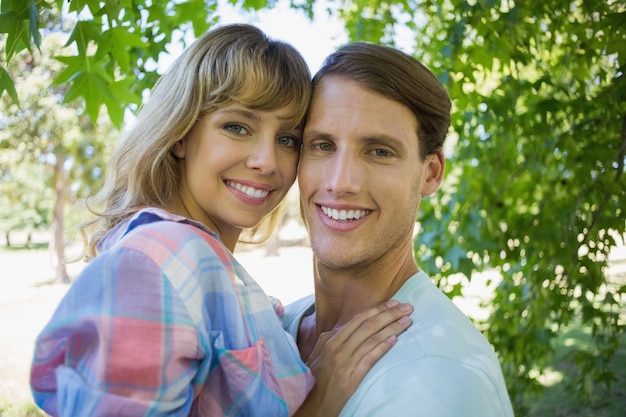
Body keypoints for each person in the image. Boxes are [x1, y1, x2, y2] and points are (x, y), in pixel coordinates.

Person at [29, 25, 414, 417]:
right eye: (237, 127)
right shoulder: (156, 261)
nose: (266, 160)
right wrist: (316, 407)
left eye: (288, 139)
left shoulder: (205, 267)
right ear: (181, 133)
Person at [283, 42, 515, 416]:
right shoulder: (276, 328)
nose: (341, 182)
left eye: (379, 151)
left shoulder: (439, 379)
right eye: (323, 145)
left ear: (431, 172)